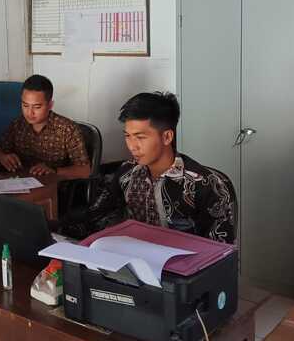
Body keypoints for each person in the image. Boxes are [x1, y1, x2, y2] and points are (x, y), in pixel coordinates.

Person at [64, 92, 236, 243]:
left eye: (140, 137)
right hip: (132, 263)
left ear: (167, 137)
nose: (132, 146)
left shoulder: (209, 185)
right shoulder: (127, 173)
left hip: (184, 268)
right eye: (128, 136)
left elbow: (220, 253)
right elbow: (95, 216)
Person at [0, 75, 91, 179]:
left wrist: (54, 171)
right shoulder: (18, 124)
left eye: (37, 107)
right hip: (21, 181)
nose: (30, 112)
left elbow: (85, 171)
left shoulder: (67, 129)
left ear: (50, 105)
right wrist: (2, 157)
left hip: (54, 185)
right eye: (25, 105)